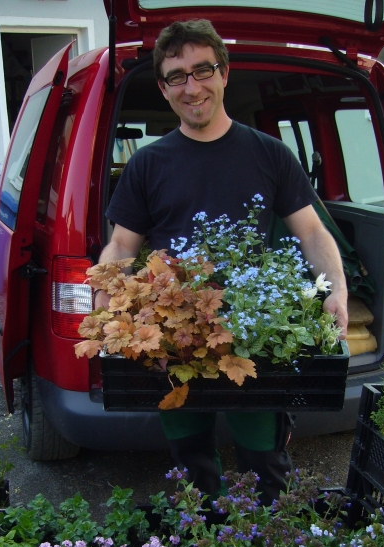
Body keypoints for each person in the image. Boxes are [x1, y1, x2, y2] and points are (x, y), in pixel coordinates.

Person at [98, 19, 348, 504]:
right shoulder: (147, 164)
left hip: (255, 339)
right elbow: (123, 244)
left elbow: (312, 231)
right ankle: (204, 533)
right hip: (177, 339)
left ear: (224, 73)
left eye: (202, 70)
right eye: (176, 76)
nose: (192, 88)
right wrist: (108, 291)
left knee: (265, 461)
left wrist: (336, 287)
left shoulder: (270, 154)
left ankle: (268, 533)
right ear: (164, 89)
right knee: (191, 460)